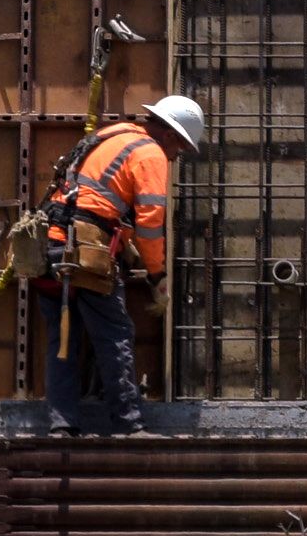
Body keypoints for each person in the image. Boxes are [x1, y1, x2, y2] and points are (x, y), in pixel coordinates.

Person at [36, 92, 208, 434]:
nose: (176, 157)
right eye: (181, 148)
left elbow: (93, 197)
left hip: (52, 249)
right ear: (170, 134)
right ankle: (128, 424)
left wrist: (123, 244)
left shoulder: (109, 135)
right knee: (115, 336)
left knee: (64, 340)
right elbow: (151, 224)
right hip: (87, 254)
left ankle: (62, 425)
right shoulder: (150, 153)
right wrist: (156, 275)